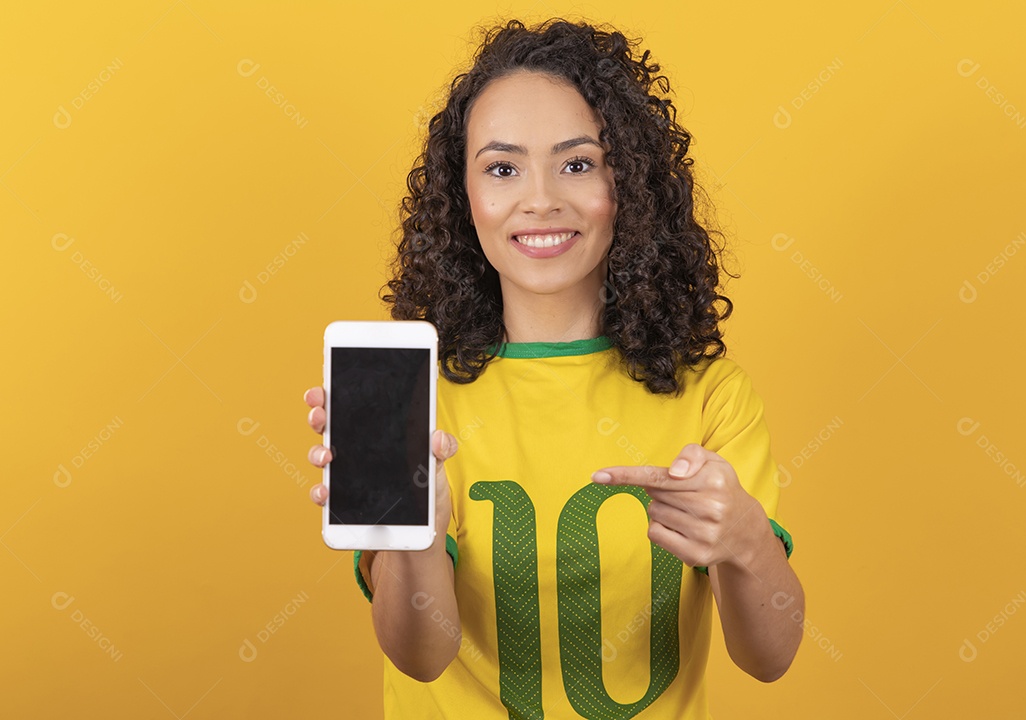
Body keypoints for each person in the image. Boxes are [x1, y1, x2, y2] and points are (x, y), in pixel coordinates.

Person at [304, 17, 804, 718]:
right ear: (463, 197)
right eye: (502, 168)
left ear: (627, 183)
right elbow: (421, 658)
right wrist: (415, 534)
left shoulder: (711, 397)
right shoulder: (415, 397)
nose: (540, 199)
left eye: (577, 163)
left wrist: (745, 540)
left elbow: (770, 657)